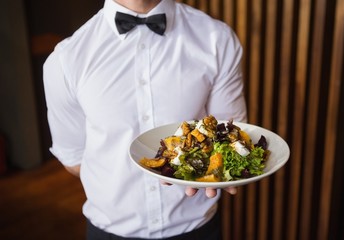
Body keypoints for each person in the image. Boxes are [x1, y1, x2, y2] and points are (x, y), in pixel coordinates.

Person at [43, 0, 247, 239]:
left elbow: (229, 134)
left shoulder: (217, 39)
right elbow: (74, 158)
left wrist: (217, 169)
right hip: (109, 230)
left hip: (196, 227)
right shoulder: (66, 59)